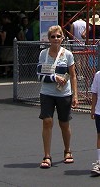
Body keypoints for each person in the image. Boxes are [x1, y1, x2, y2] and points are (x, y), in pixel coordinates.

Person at [37, 25, 78, 170]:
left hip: (64, 94)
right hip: (47, 93)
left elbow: (73, 75)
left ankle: (67, 151)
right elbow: (39, 75)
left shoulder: (67, 54)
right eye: (53, 37)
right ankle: (47, 155)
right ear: (49, 39)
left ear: (62, 38)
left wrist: (75, 95)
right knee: (47, 121)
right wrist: (54, 77)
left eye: (58, 36)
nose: (55, 39)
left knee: (64, 123)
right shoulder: (43, 54)